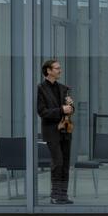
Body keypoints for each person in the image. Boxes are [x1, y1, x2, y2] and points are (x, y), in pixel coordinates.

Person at [35, 59, 75, 204]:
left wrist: (71, 106)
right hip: (51, 131)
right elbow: (42, 112)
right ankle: (55, 195)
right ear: (48, 71)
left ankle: (63, 195)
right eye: (57, 68)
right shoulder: (40, 89)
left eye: (59, 68)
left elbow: (70, 110)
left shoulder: (64, 88)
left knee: (65, 163)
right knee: (57, 162)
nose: (60, 70)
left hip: (66, 129)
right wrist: (61, 110)